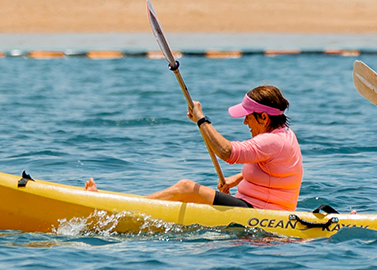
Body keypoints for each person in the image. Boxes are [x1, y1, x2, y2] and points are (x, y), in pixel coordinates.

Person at [86, 86, 303, 211]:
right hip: (249, 207)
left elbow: (227, 152)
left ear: (264, 117)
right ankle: (125, 204)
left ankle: (118, 210)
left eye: (248, 116)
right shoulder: (283, 135)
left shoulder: (272, 141)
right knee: (187, 196)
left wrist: (201, 120)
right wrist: (235, 180)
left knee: (186, 188)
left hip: (260, 213)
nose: (245, 122)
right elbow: (274, 171)